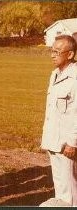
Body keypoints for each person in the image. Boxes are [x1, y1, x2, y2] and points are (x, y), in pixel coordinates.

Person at [40, 35, 77, 207]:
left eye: (57, 51)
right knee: (61, 188)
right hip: (54, 141)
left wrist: (73, 142)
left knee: (70, 192)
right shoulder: (55, 74)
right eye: (51, 51)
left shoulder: (75, 79)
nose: (52, 55)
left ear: (70, 55)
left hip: (67, 145)